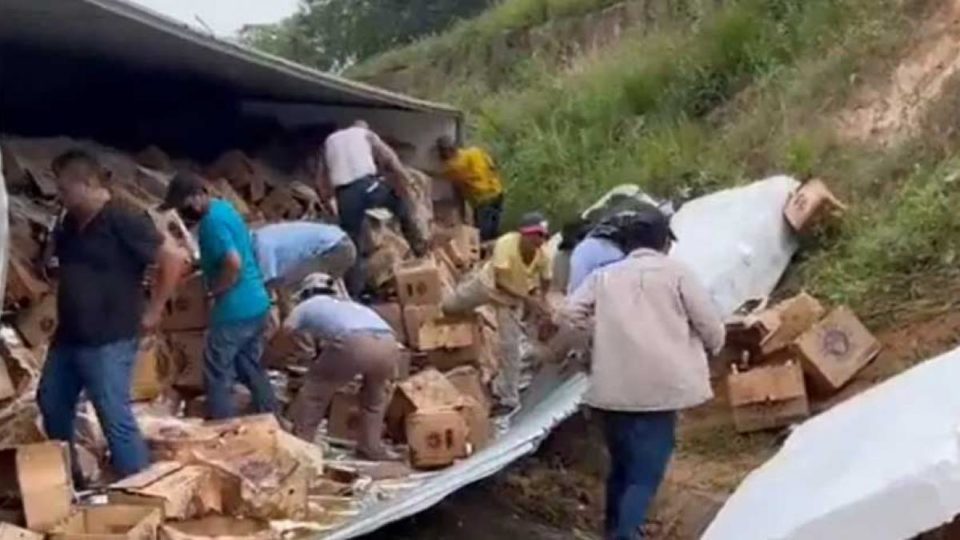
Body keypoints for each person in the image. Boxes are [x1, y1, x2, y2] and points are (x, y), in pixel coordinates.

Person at [562, 206, 724, 540]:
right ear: (664, 241)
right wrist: (713, 346)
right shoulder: (677, 274)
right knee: (645, 475)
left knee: (621, 467)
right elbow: (711, 326)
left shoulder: (603, 277)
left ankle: (612, 529)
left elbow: (569, 313)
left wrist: (597, 333)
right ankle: (624, 535)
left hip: (612, 390)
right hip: (660, 391)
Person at [38, 149, 185, 483]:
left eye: (63, 189)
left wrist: (155, 309)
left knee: (113, 414)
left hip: (110, 336)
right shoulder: (69, 224)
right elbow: (55, 265)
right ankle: (67, 478)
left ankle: (141, 488)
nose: (59, 196)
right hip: (69, 336)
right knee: (52, 402)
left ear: (87, 183)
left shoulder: (122, 218)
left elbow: (174, 258)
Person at [160, 172, 278, 420]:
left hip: (234, 309)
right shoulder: (224, 208)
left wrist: (216, 291)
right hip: (257, 302)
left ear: (196, 197)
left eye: (184, 206)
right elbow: (232, 253)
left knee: (216, 371)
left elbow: (232, 263)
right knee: (248, 364)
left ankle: (222, 427)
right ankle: (270, 415)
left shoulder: (212, 223)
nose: (183, 213)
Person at [443, 212, 553, 414]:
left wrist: (542, 299)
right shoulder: (506, 244)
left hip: (512, 301)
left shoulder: (543, 254)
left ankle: (508, 397)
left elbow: (546, 279)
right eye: (536, 235)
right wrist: (529, 300)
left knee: (510, 346)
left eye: (543, 236)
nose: (540, 240)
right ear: (524, 234)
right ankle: (471, 318)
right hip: (489, 286)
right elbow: (501, 281)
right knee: (450, 307)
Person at [283, 273, 401, 460]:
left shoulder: (307, 305)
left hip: (355, 341)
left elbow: (286, 331)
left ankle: (301, 446)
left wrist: (269, 358)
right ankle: (370, 446)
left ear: (306, 293)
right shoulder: (350, 305)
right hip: (388, 342)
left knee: (315, 391)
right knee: (374, 398)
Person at [319, 120, 426, 297]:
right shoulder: (365, 134)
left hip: (345, 194)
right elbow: (390, 158)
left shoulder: (329, 141)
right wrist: (406, 180)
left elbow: (321, 177)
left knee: (353, 242)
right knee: (400, 205)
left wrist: (327, 202)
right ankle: (419, 250)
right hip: (368, 185)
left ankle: (356, 293)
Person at [252, 220, 356, 313]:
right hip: (337, 243)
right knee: (308, 295)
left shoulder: (260, 244)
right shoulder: (263, 236)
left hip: (332, 248)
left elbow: (269, 285)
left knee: (309, 295)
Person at [436, 136, 505, 242]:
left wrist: (462, 215)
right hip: (498, 192)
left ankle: (484, 254)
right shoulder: (475, 151)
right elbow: (492, 166)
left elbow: (456, 192)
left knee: (483, 233)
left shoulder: (453, 167)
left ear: (446, 151)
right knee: (494, 229)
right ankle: (493, 252)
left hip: (483, 199)